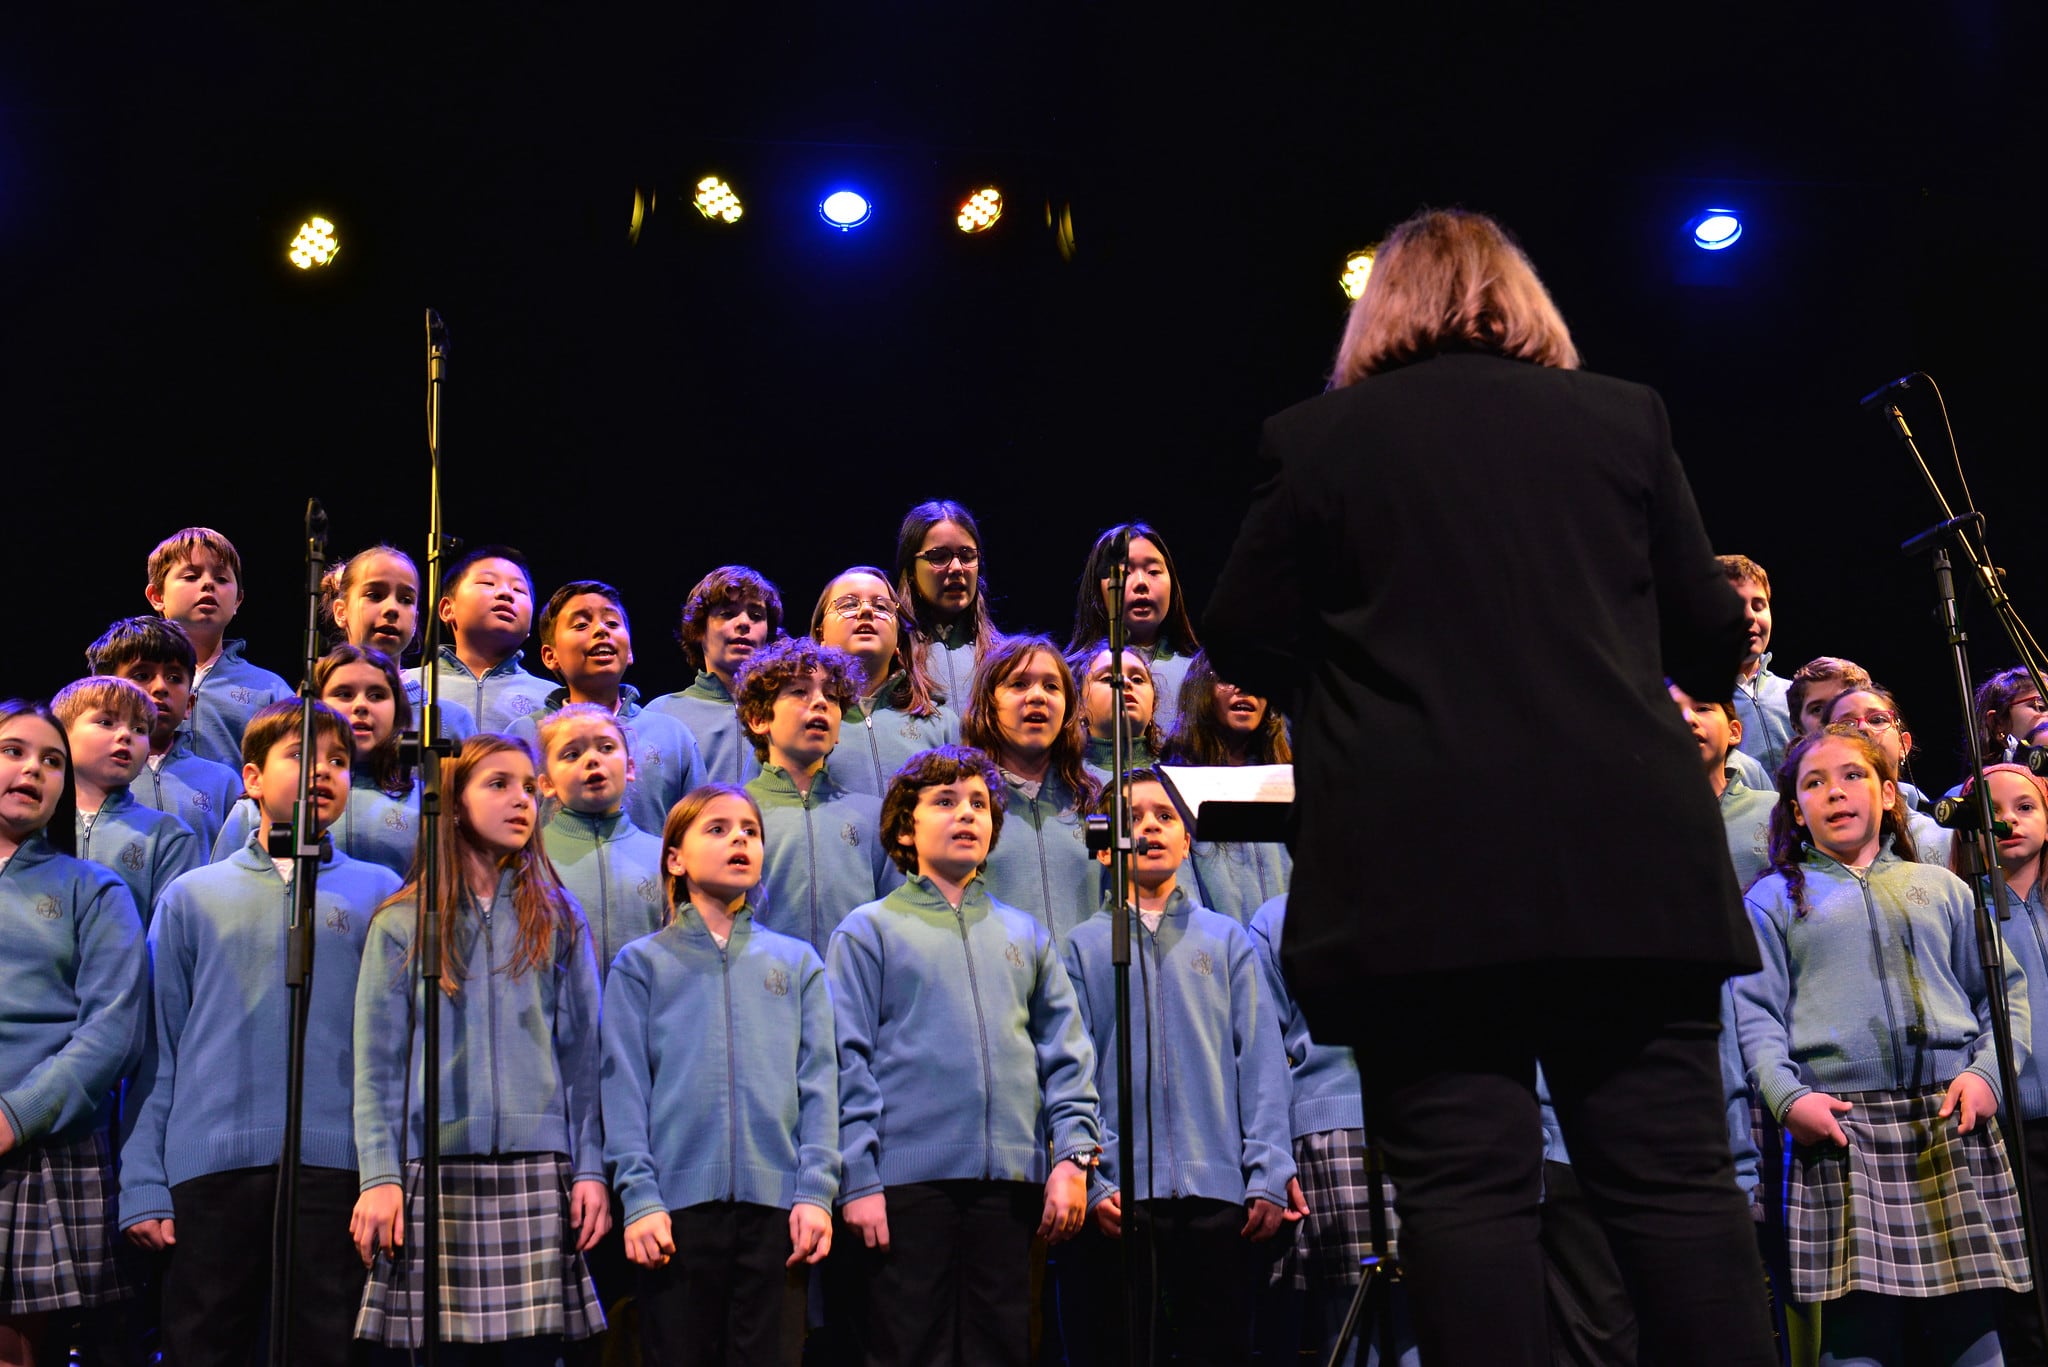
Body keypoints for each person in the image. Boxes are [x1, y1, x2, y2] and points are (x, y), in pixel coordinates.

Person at [1202, 207, 1774, 1365]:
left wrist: (1359, 676)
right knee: (1672, 1184)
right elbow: (1711, 633)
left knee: (1464, 1197)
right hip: (1626, 869)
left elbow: (1240, 633)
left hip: (1419, 886)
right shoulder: (1620, 417)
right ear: (1523, 302)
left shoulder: (1317, 441)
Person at [1735, 728, 2030, 1365]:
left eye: (1852, 776)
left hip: (1948, 1116)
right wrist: (1789, 1098)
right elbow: (1754, 1016)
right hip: (1843, 1128)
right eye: (1814, 783)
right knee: (1857, 1333)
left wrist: (1987, 1074)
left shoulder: (1941, 888)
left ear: (1888, 792)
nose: (1835, 792)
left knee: (1970, 1327)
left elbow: (2001, 995)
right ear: (1796, 810)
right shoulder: (1773, 899)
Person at [120, 699, 400, 1367]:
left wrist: (386, 1170)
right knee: (206, 1346)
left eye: (338, 760)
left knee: (328, 1348)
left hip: (338, 1169)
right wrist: (143, 1179)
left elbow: (396, 1049)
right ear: (251, 778)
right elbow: (157, 1046)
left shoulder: (380, 892)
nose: (322, 771)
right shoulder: (192, 895)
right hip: (212, 1170)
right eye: (301, 756)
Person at [827, 745, 1101, 1367]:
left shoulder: (1025, 933)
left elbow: (1067, 1054)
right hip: (905, 1185)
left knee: (1003, 1348)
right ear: (906, 828)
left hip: (1010, 1186)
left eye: (979, 803)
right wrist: (858, 1176)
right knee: (907, 1348)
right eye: (945, 801)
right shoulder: (868, 930)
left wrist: (1072, 1159)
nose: (967, 813)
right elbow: (845, 1061)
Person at [351, 734, 609, 1356]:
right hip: (434, 1168)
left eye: (529, 788)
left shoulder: (558, 917)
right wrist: (379, 1175)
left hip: (539, 1167)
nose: (522, 800)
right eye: (499, 784)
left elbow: (585, 1059)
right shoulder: (403, 921)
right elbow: (377, 1067)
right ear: (454, 803)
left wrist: (590, 1169)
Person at [1059, 772, 1303, 1367]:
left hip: (1218, 1194)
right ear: (1107, 845)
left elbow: (1261, 1063)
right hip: (1120, 1197)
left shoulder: (1226, 941)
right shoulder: (1083, 947)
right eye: (1133, 817)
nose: (1149, 827)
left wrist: (1268, 1169)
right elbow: (1073, 1071)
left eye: (1164, 816)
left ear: (1187, 839)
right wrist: (1097, 1178)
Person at [602, 784, 838, 1366]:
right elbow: (624, 1090)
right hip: (674, 1215)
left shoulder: (798, 963)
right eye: (718, 829)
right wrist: (640, 1199)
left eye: (750, 831)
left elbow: (819, 1086)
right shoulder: (641, 965)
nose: (740, 839)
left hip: (778, 1215)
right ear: (675, 860)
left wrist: (815, 1193)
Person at [0, 700, 148, 1367]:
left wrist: (15, 1114)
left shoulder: (92, 888)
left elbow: (112, 1032)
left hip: (37, 1145)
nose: (34, 768)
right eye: (14, 750)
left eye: (52, 760)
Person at [1947, 764, 2048, 1364]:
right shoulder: (1962, 912)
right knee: (2029, 1297)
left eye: (2025, 807)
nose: (2007, 820)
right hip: (2012, 1131)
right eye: (1991, 813)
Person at [737, 638, 898, 955]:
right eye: (800, 692)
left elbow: (893, 924)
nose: (820, 702)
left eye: (832, 696)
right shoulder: (735, 814)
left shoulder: (873, 817)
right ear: (759, 719)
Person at [507, 579, 706, 835]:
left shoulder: (671, 736)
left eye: (612, 623)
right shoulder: (524, 735)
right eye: (581, 624)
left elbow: (698, 830)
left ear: (630, 651)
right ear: (550, 656)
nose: (601, 630)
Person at [210, 645, 423, 878]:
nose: (361, 705)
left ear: (397, 708)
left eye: (377, 695)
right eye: (344, 694)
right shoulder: (258, 805)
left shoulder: (421, 802)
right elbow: (223, 884)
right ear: (313, 703)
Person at [959, 635, 1102, 942]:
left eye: (1051, 686)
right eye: (1019, 684)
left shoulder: (1093, 800)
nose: (1037, 696)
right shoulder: (964, 804)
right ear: (989, 703)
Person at [53, 675, 203, 924]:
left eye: (139, 729)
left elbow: (170, 933)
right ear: (59, 738)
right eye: (106, 722)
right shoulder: (34, 825)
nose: (125, 735)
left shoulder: (168, 836)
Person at [533, 703, 665, 985]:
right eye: (572, 754)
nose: (592, 759)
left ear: (630, 767)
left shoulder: (664, 857)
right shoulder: (530, 859)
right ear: (547, 784)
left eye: (606, 748)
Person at [1160, 651, 1295, 925]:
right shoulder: (1176, 786)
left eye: (1255, 679)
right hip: (1216, 947)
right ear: (1201, 692)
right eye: (1228, 678)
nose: (1244, 687)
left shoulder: (1290, 779)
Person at [85, 615, 242, 848]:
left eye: (174, 678)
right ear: (102, 691)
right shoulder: (87, 777)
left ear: (189, 705)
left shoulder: (223, 783)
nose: (160, 687)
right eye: (142, 676)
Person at [143, 527, 294, 768]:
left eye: (221, 579)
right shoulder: (129, 680)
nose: (208, 584)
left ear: (237, 601)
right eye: (191, 576)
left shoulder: (270, 690)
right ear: (157, 596)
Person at [810, 566, 955, 799]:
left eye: (881, 606)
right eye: (848, 604)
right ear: (820, 636)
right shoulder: (798, 720)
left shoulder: (941, 723)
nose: (866, 610)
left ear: (898, 639)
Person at [325, 543, 479, 741]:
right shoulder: (314, 705)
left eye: (406, 600)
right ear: (341, 612)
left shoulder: (452, 721)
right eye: (374, 596)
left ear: (415, 621)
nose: (392, 608)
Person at [645, 566, 783, 785]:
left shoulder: (787, 711)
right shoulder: (661, 714)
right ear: (699, 630)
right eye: (727, 614)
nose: (744, 623)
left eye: (756, 616)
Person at [1067, 523, 1202, 735]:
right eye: (1124, 572)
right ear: (1096, 589)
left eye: (1153, 571)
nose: (1141, 583)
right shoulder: (1067, 677)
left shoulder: (1199, 675)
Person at [404, 545, 555, 732]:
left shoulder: (552, 700)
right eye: (488, 583)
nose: (506, 593)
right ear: (447, 609)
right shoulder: (406, 686)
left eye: (519, 590)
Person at [1824, 683, 1952, 864]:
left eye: (1877, 720)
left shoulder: (1945, 840)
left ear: (1903, 744)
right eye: (1846, 725)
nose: (1863, 728)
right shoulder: (1817, 838)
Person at [893, 499, 1000, 706]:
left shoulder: (1003, 657)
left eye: (967, 556)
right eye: (939, 556)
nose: (957, 568)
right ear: (911, 570)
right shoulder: (892, 654)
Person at [1671, 682, 1777, 889]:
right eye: (1671, 711)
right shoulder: (1639, 823)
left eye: (1703, 708)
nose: (1688, 718)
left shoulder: (1775, 810)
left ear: (1733, 732)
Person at [1720, 554, 1793, 775]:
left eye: (1758, 606)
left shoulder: (1796, 695)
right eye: (1734, 606)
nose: (1749, 617)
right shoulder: (1696, 705)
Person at [1069, 641, 1162, 782]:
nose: (1125, 682)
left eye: (1137, 680)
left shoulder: (1176, 774)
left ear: (1153, 706)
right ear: (1079, 705)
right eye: (1108, 678)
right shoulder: (1062, 776)